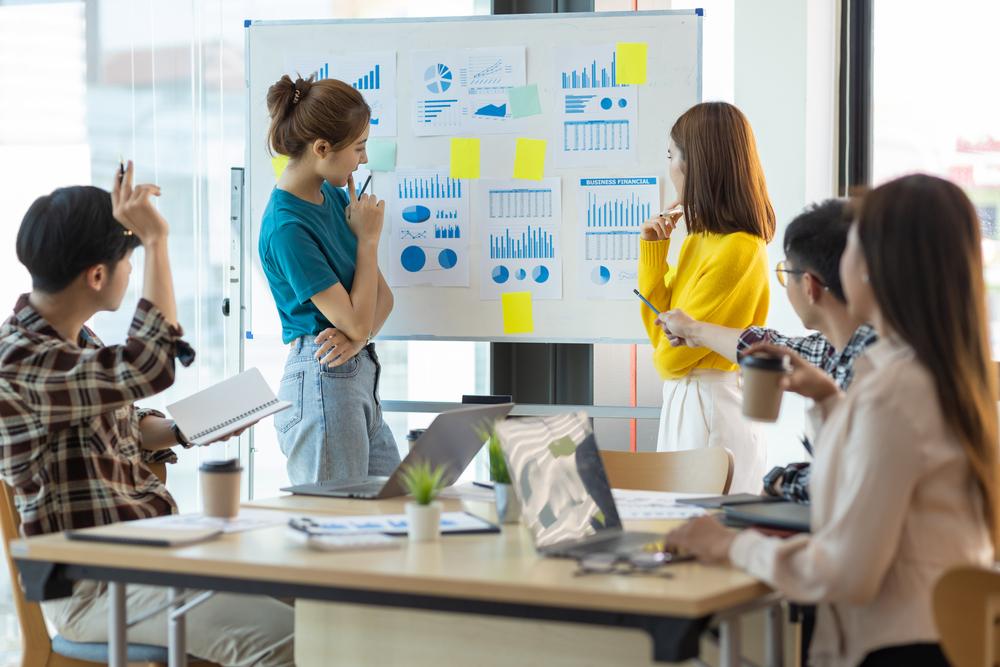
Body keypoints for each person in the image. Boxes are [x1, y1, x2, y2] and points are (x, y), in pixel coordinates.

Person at [664, 174, 997, 667]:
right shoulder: (932, 374)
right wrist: (828, 401)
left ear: (877, 270)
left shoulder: (896, 392)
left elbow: (844, 571)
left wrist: (733, 546)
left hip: (896, 649)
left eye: (853, 249)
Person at [0, 166, 293, 665]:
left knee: (320, 601)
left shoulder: (76, 342)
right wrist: (156, 240)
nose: (133, 272)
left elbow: (126, 424)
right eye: (130, 262)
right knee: (296, 639)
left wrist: (186, 429)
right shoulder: (21, 360)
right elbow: (149, 365)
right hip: (94, 585)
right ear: (98, 275)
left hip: (148, 557)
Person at [259, 74, 399, 485]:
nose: (363, 159)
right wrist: (368, 240)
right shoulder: (288, 226)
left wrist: (357, 339)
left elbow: (383, 301)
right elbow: (358, 318)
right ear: (322, 148)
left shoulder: (335, 198)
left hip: (354, 373)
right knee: (335, 529)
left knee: (389, 511)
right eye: (358, 147)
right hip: (323, 377)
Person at [638, 101, 775, 493]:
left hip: (711, 404)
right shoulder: (699, 239)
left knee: (703, 532)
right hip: (688, 399)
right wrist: (654, 252)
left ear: (694, 163)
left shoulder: (739, 248)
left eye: (671, 155)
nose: (669, 168)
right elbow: (660, 334)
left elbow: (668, 357)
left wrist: (670, 344)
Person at [658, 199, 877, 393]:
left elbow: (666, 361)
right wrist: (692, 330)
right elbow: (772, 346)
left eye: (786, 272)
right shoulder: (840, 350)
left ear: (809, 286)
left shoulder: (876, 375)